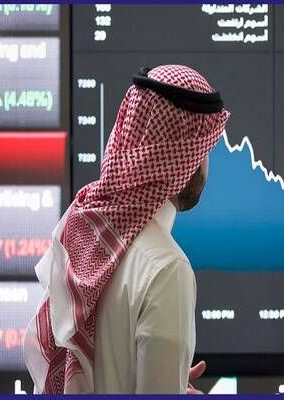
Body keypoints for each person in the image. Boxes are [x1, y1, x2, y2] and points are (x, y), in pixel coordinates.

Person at [23, 65, 230, 394]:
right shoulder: (167, 268)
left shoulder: (81, 223)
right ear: (183, 157)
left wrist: (168, 378)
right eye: (204, 150)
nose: (206, 163)